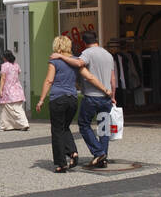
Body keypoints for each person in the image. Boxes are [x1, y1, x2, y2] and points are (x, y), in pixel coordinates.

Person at [36, 35, 110, 172]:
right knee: (65, 127)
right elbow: (89, 77)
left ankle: (61, 163)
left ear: (56, 46)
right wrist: (105, 89)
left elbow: (49, 81)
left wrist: (41, 99)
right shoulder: (76, 61)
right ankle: (73, 152)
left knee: (57, 130)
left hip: (58, 98)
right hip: (73, 99)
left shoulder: (54, 61)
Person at [53, 31, 116, 168]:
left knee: (84, 124)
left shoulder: (87, 53)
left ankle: (98, 152)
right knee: (103, 128)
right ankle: (103, 157)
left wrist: (61, 57)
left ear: (84, 42)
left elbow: (79, 63)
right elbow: (112, 79)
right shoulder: (108, 55)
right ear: (96, 40)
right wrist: (113, 96)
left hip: (92, 97)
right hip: (106, 98)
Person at [0, 49, 30, 131]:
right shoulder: (16, 65)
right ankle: (21, 124)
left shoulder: (4, 65)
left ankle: (4, 125)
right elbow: (18, 73)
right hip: (17, 89)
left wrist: (0, 90)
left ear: (4, 57)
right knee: (17, 108)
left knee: (4, 109)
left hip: (8, 89)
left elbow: (3, 78)